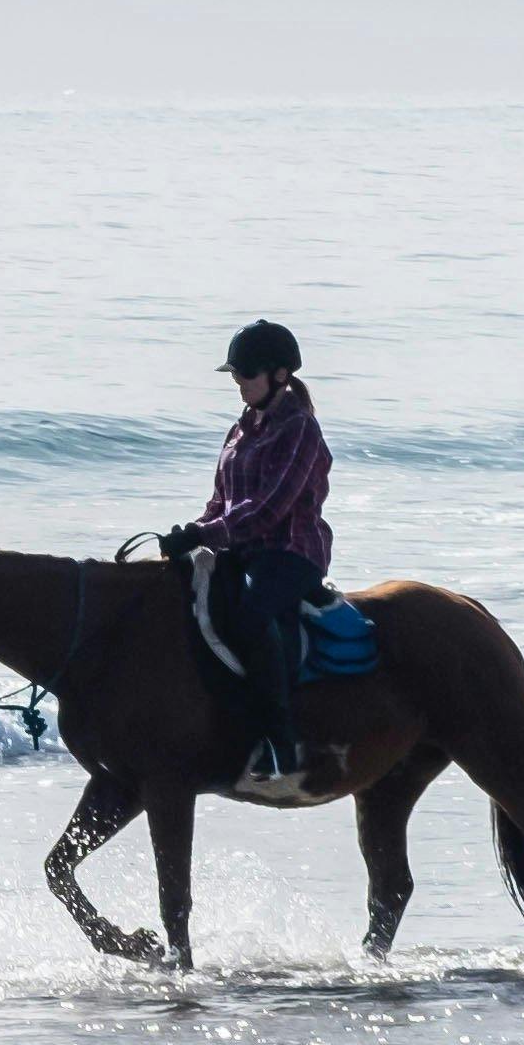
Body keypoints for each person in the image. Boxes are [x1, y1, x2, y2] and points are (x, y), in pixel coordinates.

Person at [180, 318, 335, 794]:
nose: (239, 384)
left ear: (280, 375)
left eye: (246, 375)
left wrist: (211, 530)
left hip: (290, 553)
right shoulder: (240, 429)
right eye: (236, 376)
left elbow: (269, 509)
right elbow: (221, 500)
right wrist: (191, 533)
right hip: (244, 550)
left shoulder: (300, 430)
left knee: (250, 614)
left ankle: (280, 744)